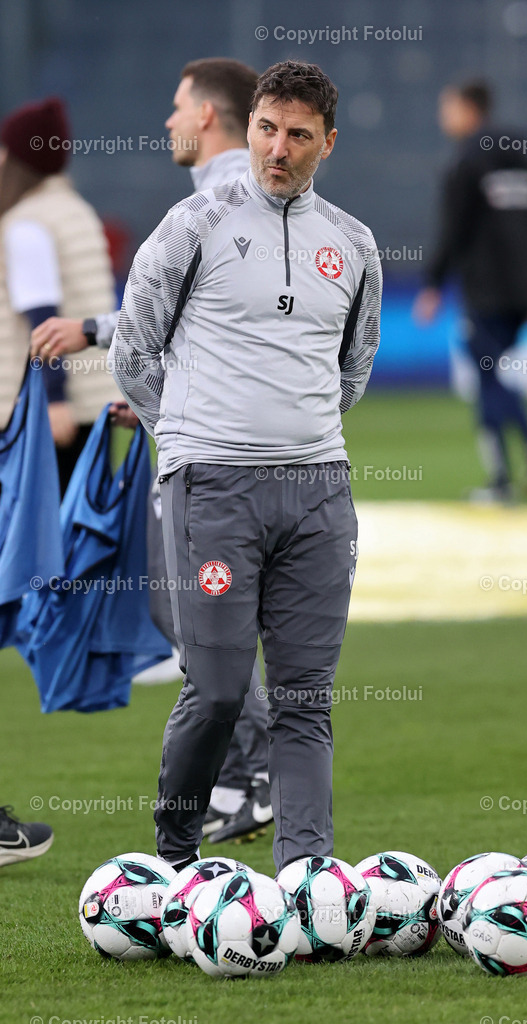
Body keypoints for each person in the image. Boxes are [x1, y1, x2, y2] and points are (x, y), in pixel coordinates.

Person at [109, 59, 382, 873]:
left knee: (304, 703)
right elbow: (133, 350)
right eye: (267, 127)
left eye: (299, 135)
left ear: (326, 143)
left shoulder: (357, 244)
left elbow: (352, 371)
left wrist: (297, 441)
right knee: (220, 691)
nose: (278, 148)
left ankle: (305, 880)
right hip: (213, 489)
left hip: (318, 495)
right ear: (251, 124)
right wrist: (190, 439)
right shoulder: (193, 224)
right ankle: (173, 863)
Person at [31, 59, 272, 843]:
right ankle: (252, 778)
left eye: (177, 107)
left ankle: (252, 777)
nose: (168, 120)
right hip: (236, 441)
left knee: (200, 616)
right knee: (199, 614)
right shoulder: (252, 199)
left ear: (208, 116)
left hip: (214, 456)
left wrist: (100, 337)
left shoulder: (218, 198)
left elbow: (181, 310)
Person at [414, 79, 527, 502]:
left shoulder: (466, 160)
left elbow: (455, 229)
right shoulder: (522, 156)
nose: (443, 116)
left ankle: (508, 472)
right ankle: (520, 460)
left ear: (469, 109)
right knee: (493, 368)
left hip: (486, 287)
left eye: (447, 107)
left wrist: (432, 285)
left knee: (486, 373)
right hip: (524, 289)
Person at [0, 96, 119, 494]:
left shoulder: (27, 223)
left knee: (39, 539)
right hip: (93, 400)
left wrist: (53, 400)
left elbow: (43, 315)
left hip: (51, 413)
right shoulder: (75, 210)